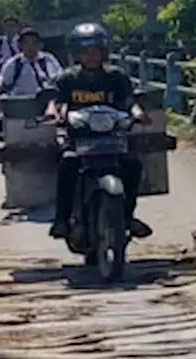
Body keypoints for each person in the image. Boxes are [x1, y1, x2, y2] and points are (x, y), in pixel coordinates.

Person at [48, 22, 152, 241]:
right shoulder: (68, 78)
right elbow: (57, 101)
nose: (91, 56)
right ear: (77, 54)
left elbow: (129, 101)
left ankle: (128, 215)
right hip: (78, 138)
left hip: (112, 137)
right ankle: (62, 219)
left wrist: (138, 114)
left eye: (95, 50)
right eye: (85, 51)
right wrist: (55, 114)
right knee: (68, 162)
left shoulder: (116, 76)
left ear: (104, 51)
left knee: (132, 164)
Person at [0, 28, 62, 97]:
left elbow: (59, 78)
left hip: (47, 100)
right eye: (26, 43)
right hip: (21, 102)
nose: (30, 47)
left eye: (34, 43)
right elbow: (2, 84)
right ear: (20, 45)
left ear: (39, 44)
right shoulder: (14, 63)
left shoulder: (49, 59)